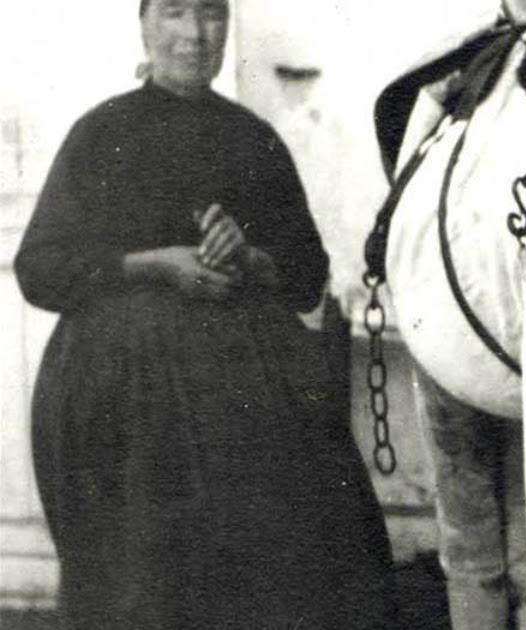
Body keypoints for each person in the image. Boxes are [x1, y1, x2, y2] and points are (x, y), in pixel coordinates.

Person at [15, 0, 399, 627]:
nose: (195, 35)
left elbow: (307, 277)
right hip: (126, 397)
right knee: (146, 578)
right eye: (173, 14)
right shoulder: (100, 133)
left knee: (280, 572)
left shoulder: (253, 139)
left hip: (247, 394)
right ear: (143, 24)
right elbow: (41, 269)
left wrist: (248, 255)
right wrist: (152, 263)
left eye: (211, 15)